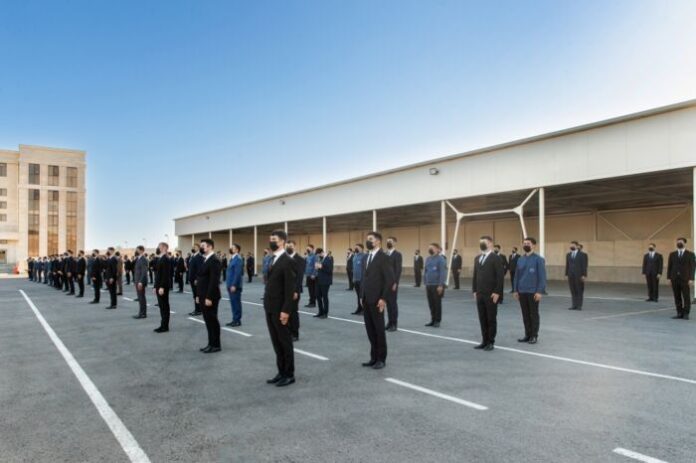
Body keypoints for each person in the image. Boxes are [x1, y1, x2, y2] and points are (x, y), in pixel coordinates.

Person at [263, 230, 296, 387]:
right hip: (270, 307)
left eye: (274, 239)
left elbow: (290, 290)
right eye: (270, 239)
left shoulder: (287, 260)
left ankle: (289, 374)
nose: (271, 241)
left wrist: (286, 311)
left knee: (285, 342)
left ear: (282, 241)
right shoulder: (272, 259)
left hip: (280, 308)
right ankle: (281, 371)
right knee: (276, 342)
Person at [360, 232, 394, 369]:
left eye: (371, 239)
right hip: (367, 299)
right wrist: (362, 296)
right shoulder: (366, 257)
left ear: (378, 241)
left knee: (379, 330)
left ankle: (381, 359)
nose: (368, 241)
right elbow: (365, 279)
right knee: (370, 330)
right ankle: (373, 357)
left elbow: (390, 280)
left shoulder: (384, 257)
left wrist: (383, 298)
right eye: (367, 239)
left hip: (377, 300)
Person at [472, 235, 504, 351]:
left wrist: (497, 292)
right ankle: (484, 341)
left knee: (491, 318)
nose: (482, 244)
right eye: (480, 242)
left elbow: (500, 277)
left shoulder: (496, 258)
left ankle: (491, 342)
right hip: (479, 294)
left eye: (484, 242)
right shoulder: (477, 258)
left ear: (490, 243)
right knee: (482, 318)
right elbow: (475, 276)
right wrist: (474, 290)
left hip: (491, 294)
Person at [513, 237, 546, 344]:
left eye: (528, 243)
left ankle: (534, 336)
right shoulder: (520, 259)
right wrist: (515, 290)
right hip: (522, 291)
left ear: (534, 245)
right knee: (525, 314)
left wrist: (539, 291)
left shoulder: (539, 259)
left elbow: (542, 277)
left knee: (533, 314)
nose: (526, 245)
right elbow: (516, 276)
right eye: (524, 243)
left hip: (533, 292)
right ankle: (527, 335)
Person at [667, 237, 695, 320]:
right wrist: (669, 278)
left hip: (685, 279)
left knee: (686, 296)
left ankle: (686, 313)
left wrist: (691, 279)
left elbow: (693, 267)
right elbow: (670, 267)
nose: (679, 243)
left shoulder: (690, 254)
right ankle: (679, 313)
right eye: (678, 242)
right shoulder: (672, 254)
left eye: (681, 242)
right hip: (674, 278)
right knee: (677, 296)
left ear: (684, 243)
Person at [286, 240, 305, 341]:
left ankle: (295, 334)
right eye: (288, 246)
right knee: (286, 312)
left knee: (293, 313)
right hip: (284, 291)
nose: (289, 247)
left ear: (295, 247)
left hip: (294, 291)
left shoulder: (300, 259)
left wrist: (296, 291)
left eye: (291, 246)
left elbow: (299, 278)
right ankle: (288, 332)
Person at [424, 243, 446, 327]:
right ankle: (432, 320)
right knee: (431, 303)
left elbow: (442, 273)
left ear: (437, 249)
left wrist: (441, 285)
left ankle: (437, 320)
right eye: (429, 247)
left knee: (437, 303)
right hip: (429, 285)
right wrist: (425, 283)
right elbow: (425, 271)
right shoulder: (428, 259)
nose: (430, 249)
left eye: (432, 248)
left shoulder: (440, 259)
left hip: (437, 285)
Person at [154, 242, 172, 333]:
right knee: (162, 306)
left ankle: (165, 326)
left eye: (159, 247)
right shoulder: (161, 258)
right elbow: (158, 274)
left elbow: (165, 275)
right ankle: (162, 325)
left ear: (165, 247)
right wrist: (155, 286)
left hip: (162, 287)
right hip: (159, 286)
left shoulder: (165, 258)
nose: (158, 248)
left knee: (164, 307)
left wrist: (161, 287)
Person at [385, 236, 402, 332]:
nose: (388, 243)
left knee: (392, 304)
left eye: (390, 241)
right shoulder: (385, 254)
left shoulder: (397, 255)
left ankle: (394, 324)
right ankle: (389, 322)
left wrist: (395, 283)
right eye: (387, 241)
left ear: (395, 243)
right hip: (385, 284)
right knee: (387, 304)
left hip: (392, 284)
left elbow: (398, 270)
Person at [565, 241, 588, 310]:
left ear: (577, 246)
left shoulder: (582, 255)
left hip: (579, 275)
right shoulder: (568, 254)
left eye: (573, 245)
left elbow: (584, 265)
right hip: (570, 275)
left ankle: (579, 306)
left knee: (579, 290)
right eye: (570, 245)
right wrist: (567, 274)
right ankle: (574, 305)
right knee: (573, 290)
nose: (571, 246)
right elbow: (567, 265)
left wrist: (584, 275)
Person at [225, 244, 244, 327]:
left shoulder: (238, 259)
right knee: (233, 303)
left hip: (234, 286)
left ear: (237, 250)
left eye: (232, 248)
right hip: (230, 285)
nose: (230, 249)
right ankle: (234, 319)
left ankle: (237, 320)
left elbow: (237, 273)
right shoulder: (233, 259)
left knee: (236, 303)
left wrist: (234, 285)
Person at [314, 247, 333, 318]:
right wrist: (317, 267)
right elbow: (319, 268)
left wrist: (321, 267)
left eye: (319, 254)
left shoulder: (329, 259)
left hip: (325, 281)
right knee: (318, 296)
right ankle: (320, 312)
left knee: (325, 297)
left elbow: (329, 270)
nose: (318, 256)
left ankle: (325, 313)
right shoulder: (320, 259)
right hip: (318, 280)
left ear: (322, 252)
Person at [132, 246, 149, 319]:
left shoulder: (143, 259)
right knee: (140, 297)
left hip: (140, 282)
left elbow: (144, 272)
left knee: (141, 297)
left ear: (142, 251)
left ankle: (142, 314)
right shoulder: (138, 259)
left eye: (137, 250)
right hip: (138, 281)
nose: (136, 251)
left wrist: (141, 282)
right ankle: (141, 312)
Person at [188, 245, 204, 316]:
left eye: (194, 247)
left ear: (198, 248)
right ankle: (197, 309)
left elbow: (200, 269)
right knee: (195, 295)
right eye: (192, 247)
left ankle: (198, 310)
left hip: (196, 280)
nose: (193, 248)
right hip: (192, 279)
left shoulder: (199, 257)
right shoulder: (193, 256)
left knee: (197, 295)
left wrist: (197, 279)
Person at [351, 244, 366, 315]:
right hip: (356, 279)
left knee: (362, 296)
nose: (356, 248)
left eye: (357, 247)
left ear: (362, 248)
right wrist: (353, 278)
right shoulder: (355, 256)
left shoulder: (364, 256)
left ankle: (364, 309)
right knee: (358, 295)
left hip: (361, 280)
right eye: (355, 247)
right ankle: (359, 308)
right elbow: (354, 268)